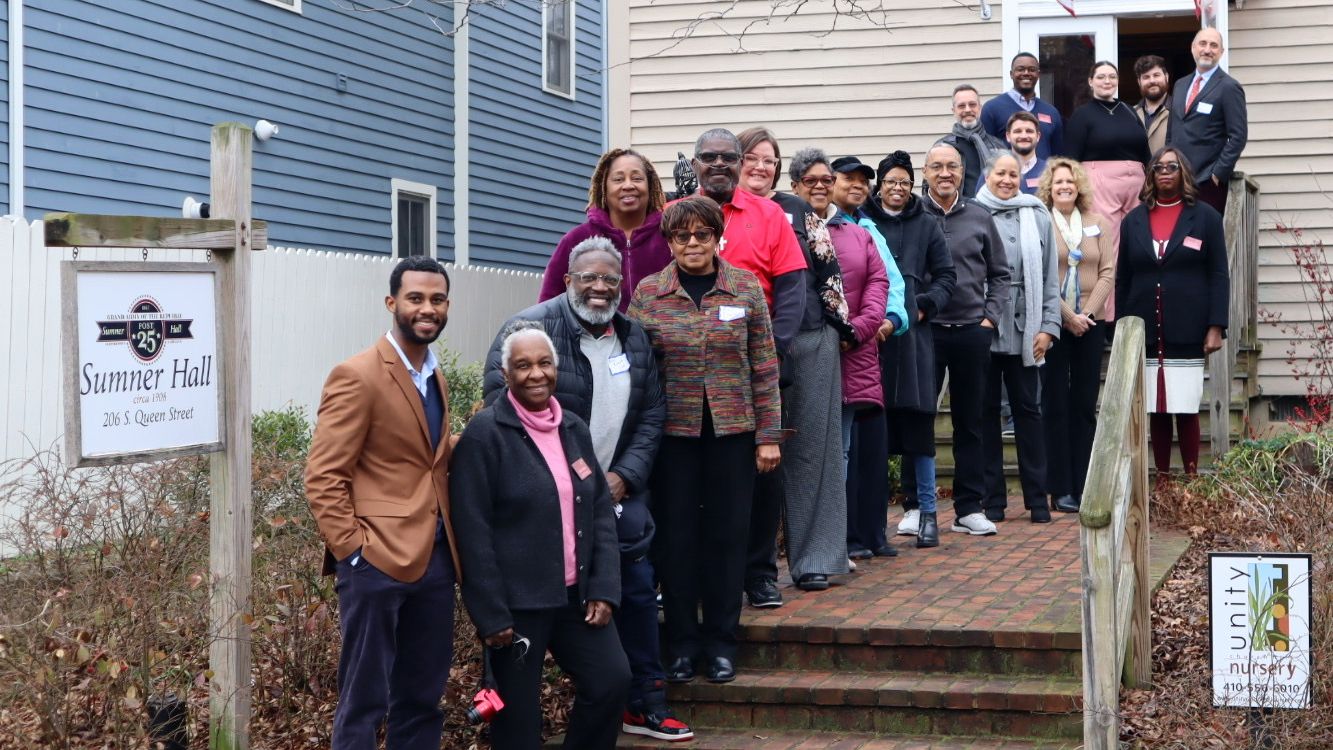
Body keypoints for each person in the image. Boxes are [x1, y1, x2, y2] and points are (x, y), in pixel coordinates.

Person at [481, 238, 691, 742]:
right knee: (520, 672)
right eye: (589, 277)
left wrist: (623, 478)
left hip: (614, 493)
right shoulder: (528, 329)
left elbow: (653, 412)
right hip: (541, 507)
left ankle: (644, 701)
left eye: (610, 279)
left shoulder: (633, 336)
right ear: (569, 279)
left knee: (635, 591)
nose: (600, 287)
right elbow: (499, 405)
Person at [304, 257, 461, 750]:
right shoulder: (358, 375)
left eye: (436, 299)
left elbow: (425, 459)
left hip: (436, 560)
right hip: (375, 564)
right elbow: (323, 475)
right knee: (364, 698)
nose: (427, 308)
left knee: (422, 696)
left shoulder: (434, 373)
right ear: (392, 303)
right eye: (415, 298)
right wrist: (354, 552)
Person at [451, 324, 630, 750]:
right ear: (506, 373)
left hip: (578, 597)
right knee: (518, 721)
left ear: (556, 368)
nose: (536, 374)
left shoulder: (571, 427)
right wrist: (490, 615)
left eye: (544, 363)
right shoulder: (486, 433)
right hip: (518, 606)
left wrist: (604, 587)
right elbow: (472, 531)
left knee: (611, 682)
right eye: (523, 365)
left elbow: (600, 511)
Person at [630, 195, 783, 685]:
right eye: (682, 236)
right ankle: (680, 645)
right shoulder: (648, 294)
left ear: (718, 236)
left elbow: (764, 365)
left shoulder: (744, 287)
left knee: (727, 537)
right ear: (669, 241)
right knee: (675, 541)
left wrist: (769, 435)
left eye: (702, 234)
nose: (692, 243)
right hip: (671, 437)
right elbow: (636, 371)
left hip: (733, 433)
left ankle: (720, 644)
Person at [683, 128, 807, 612]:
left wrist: (772, 351)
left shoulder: (769, 215)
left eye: (727, 157)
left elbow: (794, 289)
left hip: (757, 369)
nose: (718, 165)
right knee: (699, 478)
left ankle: (759, 574)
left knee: (763, 472)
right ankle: (704, 575)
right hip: (692, 374)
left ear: (739, 163)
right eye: (708, 157)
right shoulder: (680, 215)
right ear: (694, 165)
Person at [735, 126, 854, 605]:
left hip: (807, 338)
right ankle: (744, 566)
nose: (761, 167)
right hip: (733, 345)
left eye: (770, 160)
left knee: (813, 452)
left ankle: (815, 560)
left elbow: (829, 273)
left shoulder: (800, 210)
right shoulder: (709, 207)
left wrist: (840, 330)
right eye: (752, 158)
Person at [787, 148, 890, 572]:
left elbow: (879, 283)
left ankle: (835, 545)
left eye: (824, 180)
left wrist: (857, 331)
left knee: (838, 453)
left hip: (850, 356)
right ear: (794, 186)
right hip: (798, 352)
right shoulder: (786, 225)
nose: (819, 186)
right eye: (809, 180)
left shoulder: (857, 232)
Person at [859, 150, 957, 549]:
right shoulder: (861, 223)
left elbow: (947, 276)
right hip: (872, 339)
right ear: (879, 186)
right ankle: (873, 520)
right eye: (889, 182)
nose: (897, 189)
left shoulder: (927, 224)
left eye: (903, 182)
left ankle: (928, 515)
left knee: (919, 427)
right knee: (874, 433)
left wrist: (922, 306)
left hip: (914, 339)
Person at [1116, 148, 1229, 476]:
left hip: (1188, 327)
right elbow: (1124, 277)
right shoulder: (1133, 221)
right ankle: (1163, 482)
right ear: (1150, 175)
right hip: (1145, 329)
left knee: (1186, 406)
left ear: (1184, 174)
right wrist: (1123, 328)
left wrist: (1215, 325)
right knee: (1157, 409)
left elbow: (1219, 274)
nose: (1165, 172)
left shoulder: (1206, 217)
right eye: (1158, 167)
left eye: (1173, 167)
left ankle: (1191, 480)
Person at [918, 143, 1011, 537]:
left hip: (972, 331)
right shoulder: (913, 215)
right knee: (918, 417)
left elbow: (1001, 274)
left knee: (970, 423)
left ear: (962, 171)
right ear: (925, 172)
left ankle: (968, 507)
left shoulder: (979, 216)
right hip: (925, 332)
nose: (944, 173)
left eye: (951, 166)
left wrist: (990, 317)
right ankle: (915, 504)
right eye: (936, 166)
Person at [973, 152, 1062, 524]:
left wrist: (1049, 327)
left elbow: (1050, 278)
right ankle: (993, 500)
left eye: (1013, 173)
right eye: (1000, 173)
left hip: (1028, 329)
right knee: (985, 414)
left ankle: (1037, 499)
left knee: (1029, 412)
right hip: (984, 328)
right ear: (987, 176)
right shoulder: (972, 213)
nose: (1007, 180)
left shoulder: (1037, 214)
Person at [1038, 157, 1115, 514]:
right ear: (1049, 189)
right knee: (1055, 405)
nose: (1064, 187)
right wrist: (1067, 316)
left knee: (1083, 406)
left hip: (1091, 324)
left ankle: (1084, 482)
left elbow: (1107, 272)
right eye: (1058, 182)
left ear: (1079, 185)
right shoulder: (1041, 222)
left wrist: (1086, 314)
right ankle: (1060, 488)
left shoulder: (1098, 223)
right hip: (1054, 326)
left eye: (1069, 181)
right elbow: (1040, 274)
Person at [1066, 60, 1152, 320]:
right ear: (1091, 82)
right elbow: (1070, 158)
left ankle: (1136, 311)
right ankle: (1108, 317)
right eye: (1101, 77)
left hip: (1135, 182)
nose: (1107, 81)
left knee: (1138, 244)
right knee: (1109, 248)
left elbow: (1144, 151)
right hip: (1100, 182)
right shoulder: (1083, 115)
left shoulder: (1128, 110)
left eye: (1111, 77)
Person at [539, 148, 672, 310]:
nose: (628, 185)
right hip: (595, 335)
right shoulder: (576, 239)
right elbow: (548, 304)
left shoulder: (670, 236)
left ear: (650, 186)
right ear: (604, 187)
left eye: (637, 178)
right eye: (618, 179)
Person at [1167, 28, 1248, 215]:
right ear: (1193, 48)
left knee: (1203, 239)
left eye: (1214, 45)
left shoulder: (1229, 87)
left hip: (1207, 182)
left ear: (1221, 52)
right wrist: (1170, 166)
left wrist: (1218, 173)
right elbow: (1172, 132)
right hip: (1178, 179)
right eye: (1203, 44)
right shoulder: (1180, 85)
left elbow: (1238, 136)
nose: (1207, 49)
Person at [981, 52, 1065, 159]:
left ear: (1038, 75)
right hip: (1009, 175)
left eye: (1031, 69)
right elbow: (985, 153)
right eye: (1020, 69)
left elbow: (1057, 156)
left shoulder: (1051, 112)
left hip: (1043, 175)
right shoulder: (992, 108)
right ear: (1011, 74)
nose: (1026, 73)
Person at [937, 84, 1007, 200]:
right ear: (953, 111)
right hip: (956, 214)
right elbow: (930, 186)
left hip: (992, 213)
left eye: (972, 104)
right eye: (961, 106)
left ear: (979, 108)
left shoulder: (998, 146)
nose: (968, 109)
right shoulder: (942, 148)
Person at [1001, 112, 1047, 196]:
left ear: (1038, 136)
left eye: (1029, 131)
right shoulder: (993, 170)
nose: (1024, 136)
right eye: (1018, 131)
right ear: (1008, 136)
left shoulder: (1050, 171)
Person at [1133, 55, 1171, 155]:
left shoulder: (1180, 111)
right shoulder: (1130, 114)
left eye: (1156, 75)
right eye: (1146, 77)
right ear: (1139, 82)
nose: (1152, 81)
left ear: (1166, 77)